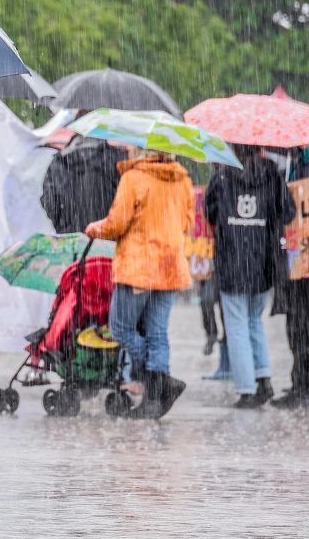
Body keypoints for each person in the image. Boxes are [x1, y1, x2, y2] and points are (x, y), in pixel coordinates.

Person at [85, 149, 194, 419]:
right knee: (157, 332)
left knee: (121, 328)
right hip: (170, 266)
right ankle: (156, 394)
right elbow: (187, 224)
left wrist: (93, 228)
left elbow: (117, 224)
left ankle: (158, 382)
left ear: (142, 150)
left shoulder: (134, 178)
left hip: (140, 266)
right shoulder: (183, 180)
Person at [205, 145, 295, 408]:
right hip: (264, 263)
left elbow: (210, 214)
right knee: (254, 321)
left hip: (232, 261)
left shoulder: (222, 177)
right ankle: (264, 378)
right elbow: (288, 213)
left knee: (236, 326)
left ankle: (246, 389)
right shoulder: (272, 175)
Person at [274, 146, 309, 408]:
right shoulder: (292, 165)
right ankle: (300, 382)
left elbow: (289, 212)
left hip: (301, 261)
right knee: (296, 325)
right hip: (297, 257)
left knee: (299, 325)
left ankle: (301, 385)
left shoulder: (299, 168)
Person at [41, 132, 128, 234]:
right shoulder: (117, 159)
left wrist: (64, 226)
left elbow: (49, 201)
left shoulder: (59, 163)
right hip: (110, 236)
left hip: (72, 237)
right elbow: (129, 198)